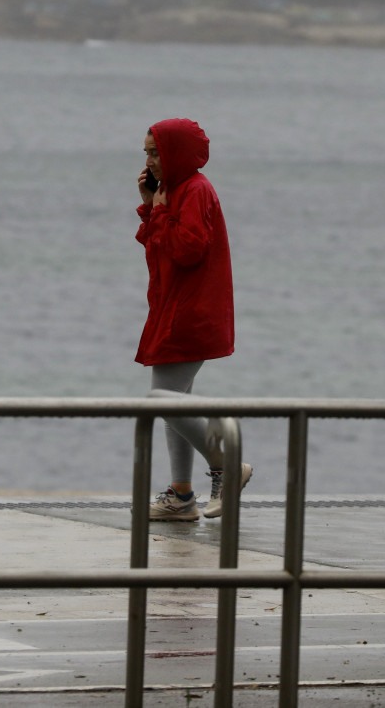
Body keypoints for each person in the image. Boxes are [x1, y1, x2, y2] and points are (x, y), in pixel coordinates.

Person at [135, 118, 252, 521]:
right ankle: (182, 495)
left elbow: (188, 249)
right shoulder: (175, 190)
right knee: (175, 402)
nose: (149, 160)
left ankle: (228, 466)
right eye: (147, 153)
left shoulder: (196, 190)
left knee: (161, 401)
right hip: (174, 307)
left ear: (176, 153)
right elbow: (160, 248)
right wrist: (153, 207)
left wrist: (161, 212)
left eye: (156, 152)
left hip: (190, 313)